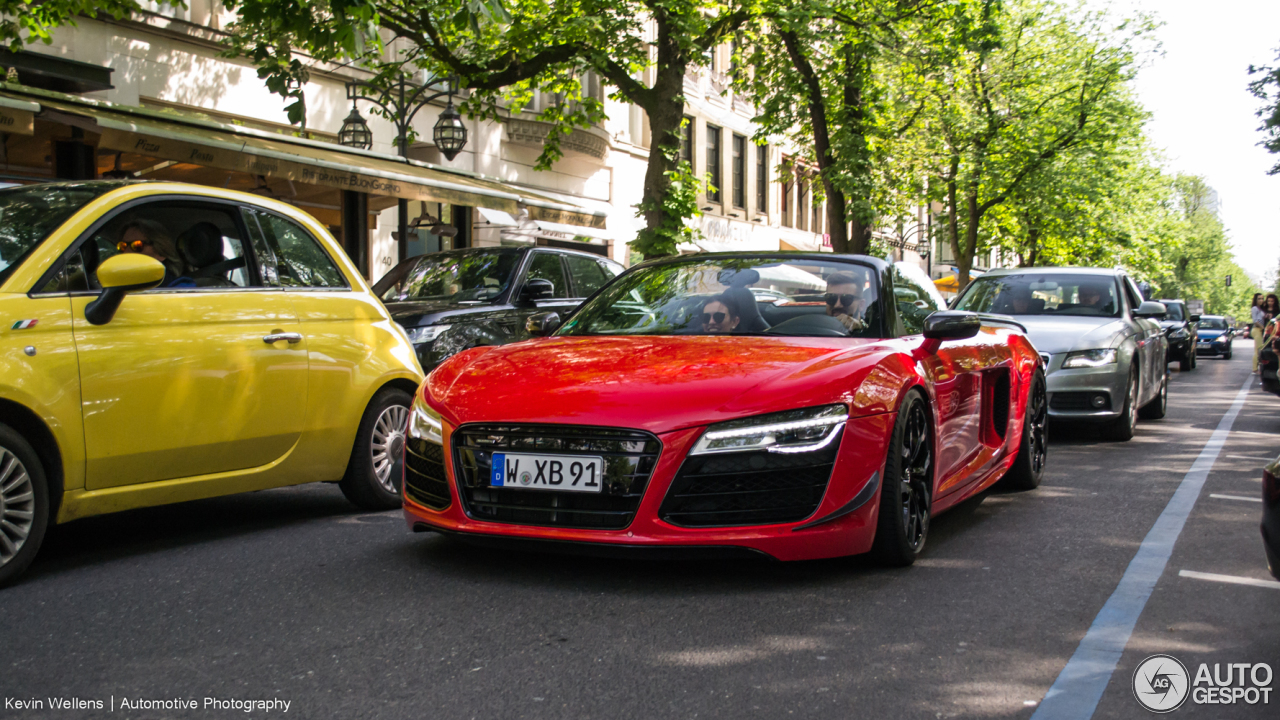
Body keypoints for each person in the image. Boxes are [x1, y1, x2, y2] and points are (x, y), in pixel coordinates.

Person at [116, 219, 195, 288]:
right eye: (123, 246)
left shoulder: (180, 289)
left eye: (137, 245)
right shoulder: (118, 287)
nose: (126, 252)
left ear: (161, 253)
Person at [1251, 293, 1266, 373]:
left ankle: (1258, 367)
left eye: (1262, 298)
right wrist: (1262, 327)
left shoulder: (1261, 309)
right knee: (1258, 350)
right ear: (1255, 300)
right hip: (1257, 329)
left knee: (1260, 349)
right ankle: (1255, 369)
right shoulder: (1254, 308)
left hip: (1260, 330)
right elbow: (1255, 321)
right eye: (1259, 299)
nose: (1261, 300)